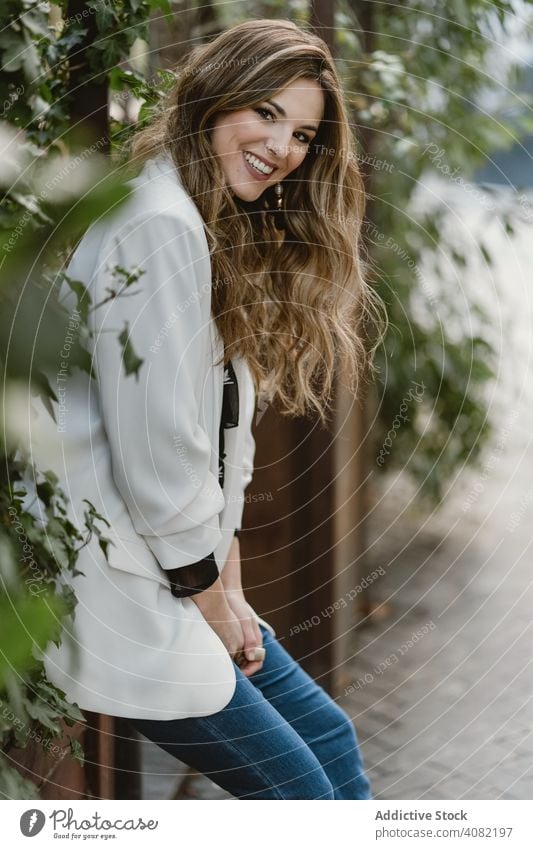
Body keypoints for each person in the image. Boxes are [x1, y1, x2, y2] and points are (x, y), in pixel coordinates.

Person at [30, 18, 382, 799]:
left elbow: (210, 442)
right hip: (125, 588)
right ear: (214, 100)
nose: (282, 146)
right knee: (302, 796)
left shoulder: (193, 218)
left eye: (301, 132)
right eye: (265, 111)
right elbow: (158, 455)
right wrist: (214, 604)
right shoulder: (159, 225)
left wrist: (233, 588)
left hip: (179, 576)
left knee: (328, 737)